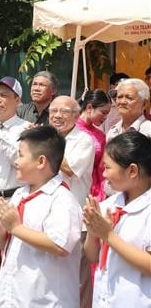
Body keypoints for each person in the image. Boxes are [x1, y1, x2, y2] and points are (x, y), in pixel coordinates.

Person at [0, 126, 82, 308]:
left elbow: (59, 245)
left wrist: (15, 228)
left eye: (21, 155)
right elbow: (5, 244)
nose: (16, 162)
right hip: (14, 296)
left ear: (41, 161)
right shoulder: (21, 194)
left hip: (43, 300)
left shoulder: (62, 200)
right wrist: (0, 228)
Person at [83, 131, 151, 307]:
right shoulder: (110, 204)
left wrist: (108, 235)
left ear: (132, 170)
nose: (103, 174)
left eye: (107, 167)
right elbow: (92, 256)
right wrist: (93, 230)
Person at [49, 96, 95, 207]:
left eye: (64, 111)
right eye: (54, 111)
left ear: (76, 116)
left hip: (72, 203)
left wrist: (44, 146)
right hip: (47, 201)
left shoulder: (84, 140)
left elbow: (70, 169)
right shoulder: (47, 137)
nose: (57, 115)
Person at [76, 89, 111, 201]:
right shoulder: (70, 128)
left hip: (93, 192)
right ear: (90, 107)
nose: (105, 117)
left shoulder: (100, 135)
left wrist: (102, 193)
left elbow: (101, 168)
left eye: (108, 113)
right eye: (103, 112)